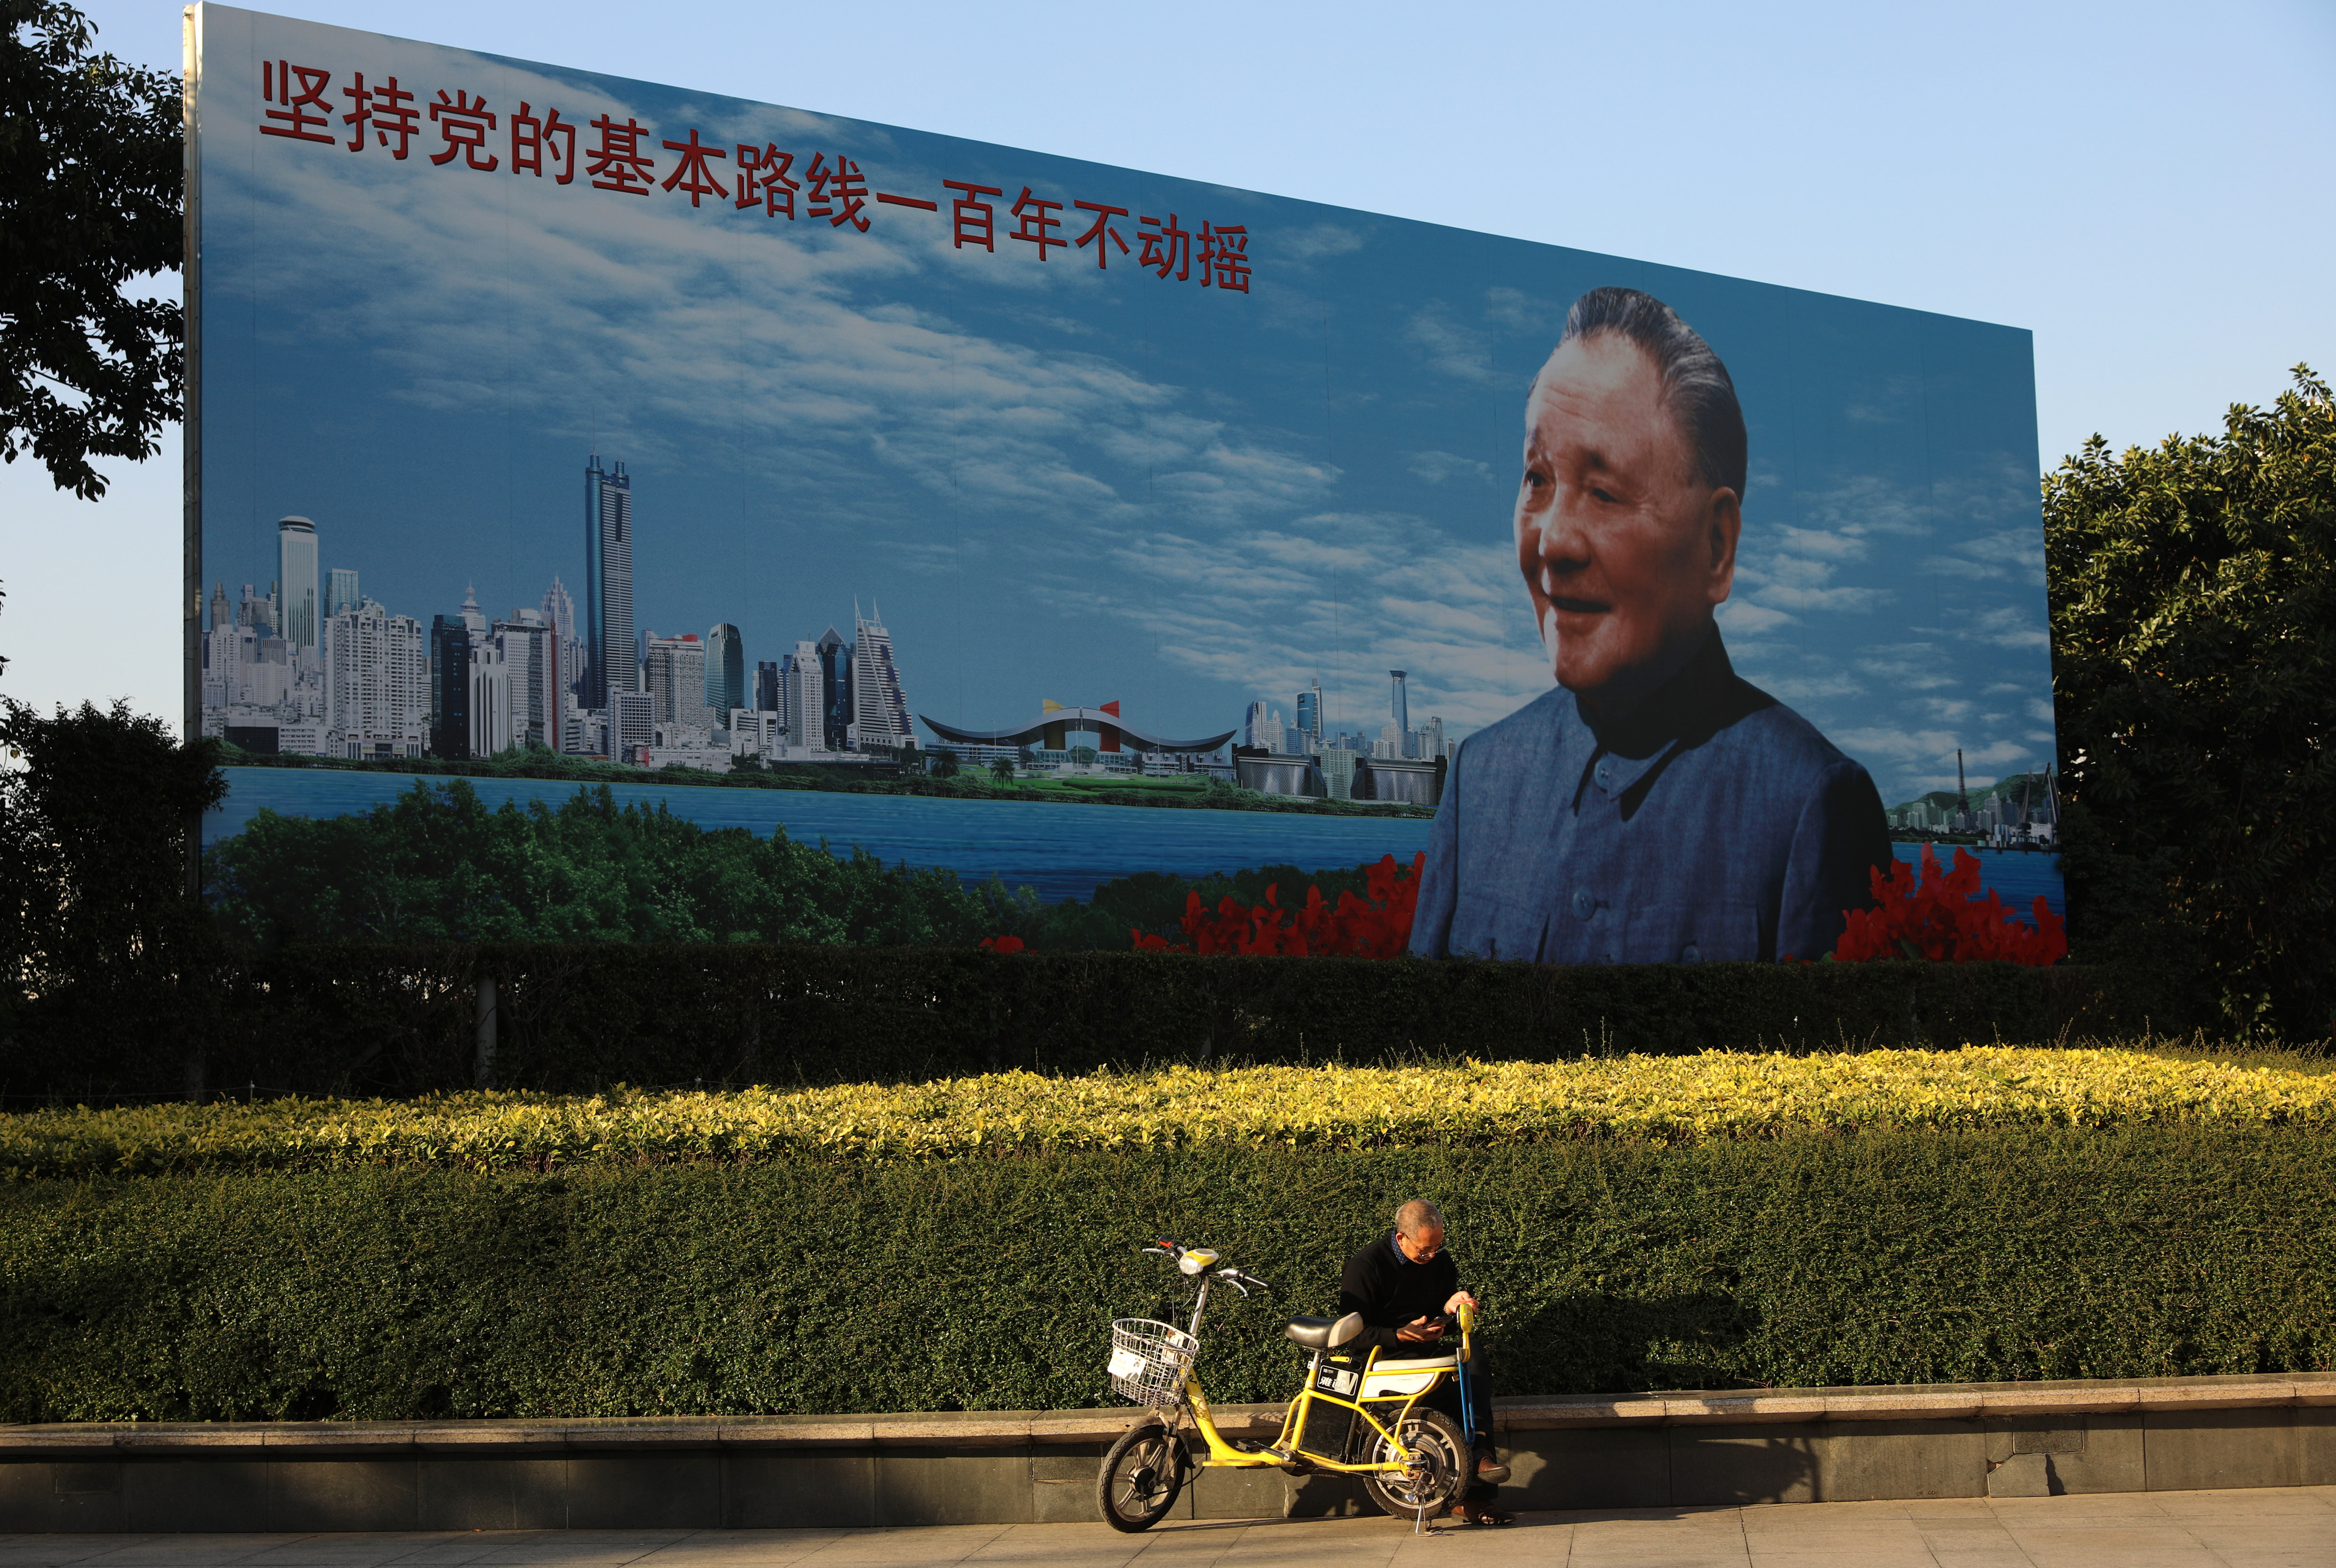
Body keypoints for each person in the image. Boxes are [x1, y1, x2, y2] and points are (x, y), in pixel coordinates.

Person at [1408, 286, 1890, 966]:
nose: (1553, 541)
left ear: (1716, 546)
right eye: (1537, 479)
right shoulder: (1482, 779)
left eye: (1604, 492)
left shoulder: (1809, 803)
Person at [1338, 1198, 1511, 1525]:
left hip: (1425, 1350)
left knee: (1472, 1360)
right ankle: (1474, 1485)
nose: (1432, 1255)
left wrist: (1453, 1307)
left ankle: (1479, 1455)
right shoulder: (1366, 1265)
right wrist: (1398, 1335)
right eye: (1425, 1250)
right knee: (1458, 1391)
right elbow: (1349, 1336)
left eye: (1438, 1246)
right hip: (1383, 1355)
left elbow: (1438, 1309)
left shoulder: (1439, 1261)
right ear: (1402, 1238)